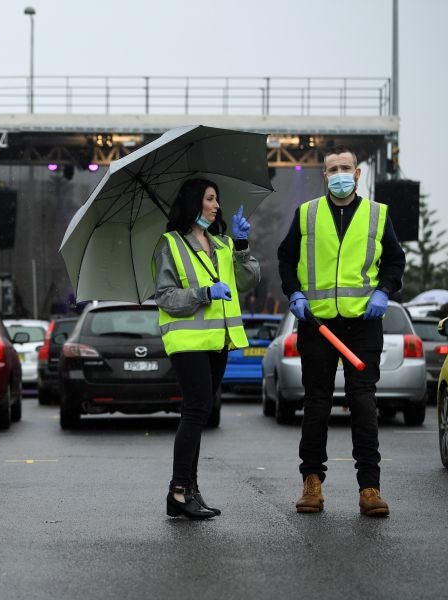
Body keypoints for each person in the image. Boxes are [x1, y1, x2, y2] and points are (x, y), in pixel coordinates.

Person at [277, 146, 406, 518]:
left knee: (363, 402)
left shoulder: (378, 215)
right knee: (316, 403)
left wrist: (385, 290)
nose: (339, 174)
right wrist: (294, 292)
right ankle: (312, 483)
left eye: (345, 168)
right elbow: (286, 258)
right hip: (317, 323)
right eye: (332, 169)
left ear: (358, 173)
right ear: (324, 175)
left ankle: (370, 487)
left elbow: (395, 260)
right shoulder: (307, 213)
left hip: (363, 323)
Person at [152, 178, 260, 519]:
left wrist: (242, 244)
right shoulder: (170, 244)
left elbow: (248, 281)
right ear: (193, 203)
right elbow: (165, 296)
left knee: (202, 412)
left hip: (218, 340)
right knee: (196, 409)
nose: (216, 206)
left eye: (217, 200)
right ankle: (179, 491)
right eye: (210, 199)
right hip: (187, 341)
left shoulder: (224, 244)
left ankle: (190, 490)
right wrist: (204, 294)